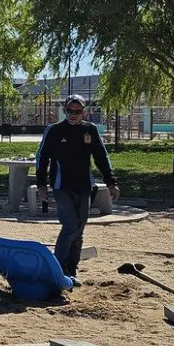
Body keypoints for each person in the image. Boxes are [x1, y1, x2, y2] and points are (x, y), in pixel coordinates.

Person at [35, 94, 121, 286]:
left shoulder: (89, 130)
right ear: (64, 110)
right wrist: (41, 183)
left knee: (79, 231)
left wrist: (111, 181)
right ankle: (57, 270)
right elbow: (43, 158)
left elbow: (101, 157)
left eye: (78, 111)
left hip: (84, 187)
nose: (74, 114)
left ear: (84, 112)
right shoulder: (55, 131)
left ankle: (72, 271)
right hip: (61, 186)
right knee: (70, 227)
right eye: (70, 110)